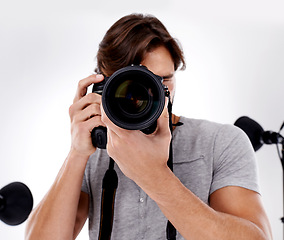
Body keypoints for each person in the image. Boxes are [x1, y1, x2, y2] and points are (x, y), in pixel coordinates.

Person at [25, 13, 273, 240]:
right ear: (104, 84)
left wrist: (155, 176)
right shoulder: (95, 147)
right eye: (136, 84)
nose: (154, 94)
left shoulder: (220, 142)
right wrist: (77, 153)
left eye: (164, 80)